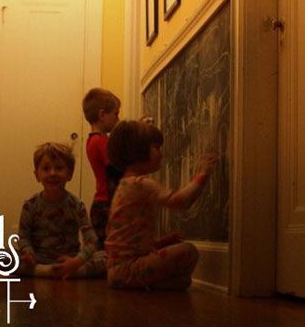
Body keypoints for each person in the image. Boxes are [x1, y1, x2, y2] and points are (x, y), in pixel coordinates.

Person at [105, 119, 217, 290]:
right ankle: (142, 284)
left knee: (184, 281)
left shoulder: (124, 185)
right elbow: (181, 202)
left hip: (116, 271)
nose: (161, 154)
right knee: (189, 251)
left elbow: (129, 240)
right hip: (130, 269)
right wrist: (203, 173)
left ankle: (145, 285)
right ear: (138, 150)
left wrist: (161, 242)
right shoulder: (142, 183)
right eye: (156, 147)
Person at [17, 142, 106, 278]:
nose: (53, 173)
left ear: (70, 174)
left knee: (107, 257)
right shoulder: (30, 205)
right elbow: (23, 236)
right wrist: (28, 253)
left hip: (70, 261)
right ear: (37, 175)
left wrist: (77, 261)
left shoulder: (76, 205)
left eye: (59, 168)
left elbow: (92, 241)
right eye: (46, 169)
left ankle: (67, 271)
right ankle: (48, 271)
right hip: (38, 260)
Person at [83, 87, 121, 249]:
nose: (117, 119)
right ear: (102, 115)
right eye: (116, 114)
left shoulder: (95, 140)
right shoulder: (99, 141)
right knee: (106, 248)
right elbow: (114, 168)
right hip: (106, 202)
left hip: (102, 201)